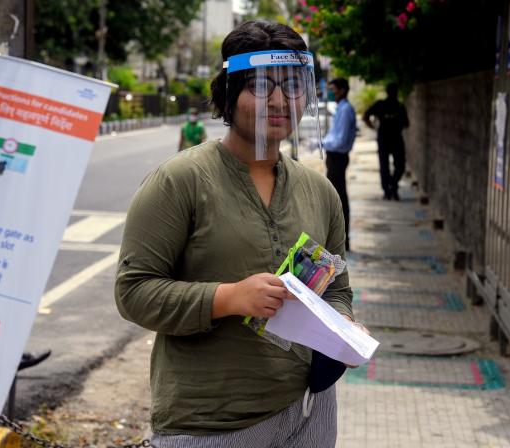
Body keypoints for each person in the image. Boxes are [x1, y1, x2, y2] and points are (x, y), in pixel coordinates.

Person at [115, 20, 367, 448]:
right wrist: (228, 298)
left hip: (309, 409)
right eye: (261, 85)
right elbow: (133, 291)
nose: (279, 100)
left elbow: (337, 287)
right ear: (228, 94)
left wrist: (341, 323)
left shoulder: (320, 191)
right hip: (208, 422)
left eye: (292, 85)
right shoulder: (179, 181)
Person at [321, 78, 356, 252]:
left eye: (333, 89)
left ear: (342, 90)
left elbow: (340, 140)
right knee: (336, 198)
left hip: (338, 158)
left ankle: (342, 240)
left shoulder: (345, 110)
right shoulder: (341, 108)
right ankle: (339, 239)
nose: (331, 93)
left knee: (337, 200)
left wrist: (322, 144)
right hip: (334, 158)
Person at [362, 82, 410, 200]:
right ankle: (389, 188)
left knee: (393, 165)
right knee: (392, 165)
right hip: (389, 138)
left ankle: (391, 187)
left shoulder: (395, 106)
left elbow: (407, 123)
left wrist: (374, 126)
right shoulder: (389, 105)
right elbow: (365, 116)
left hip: (389, 138)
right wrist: (374, 127)